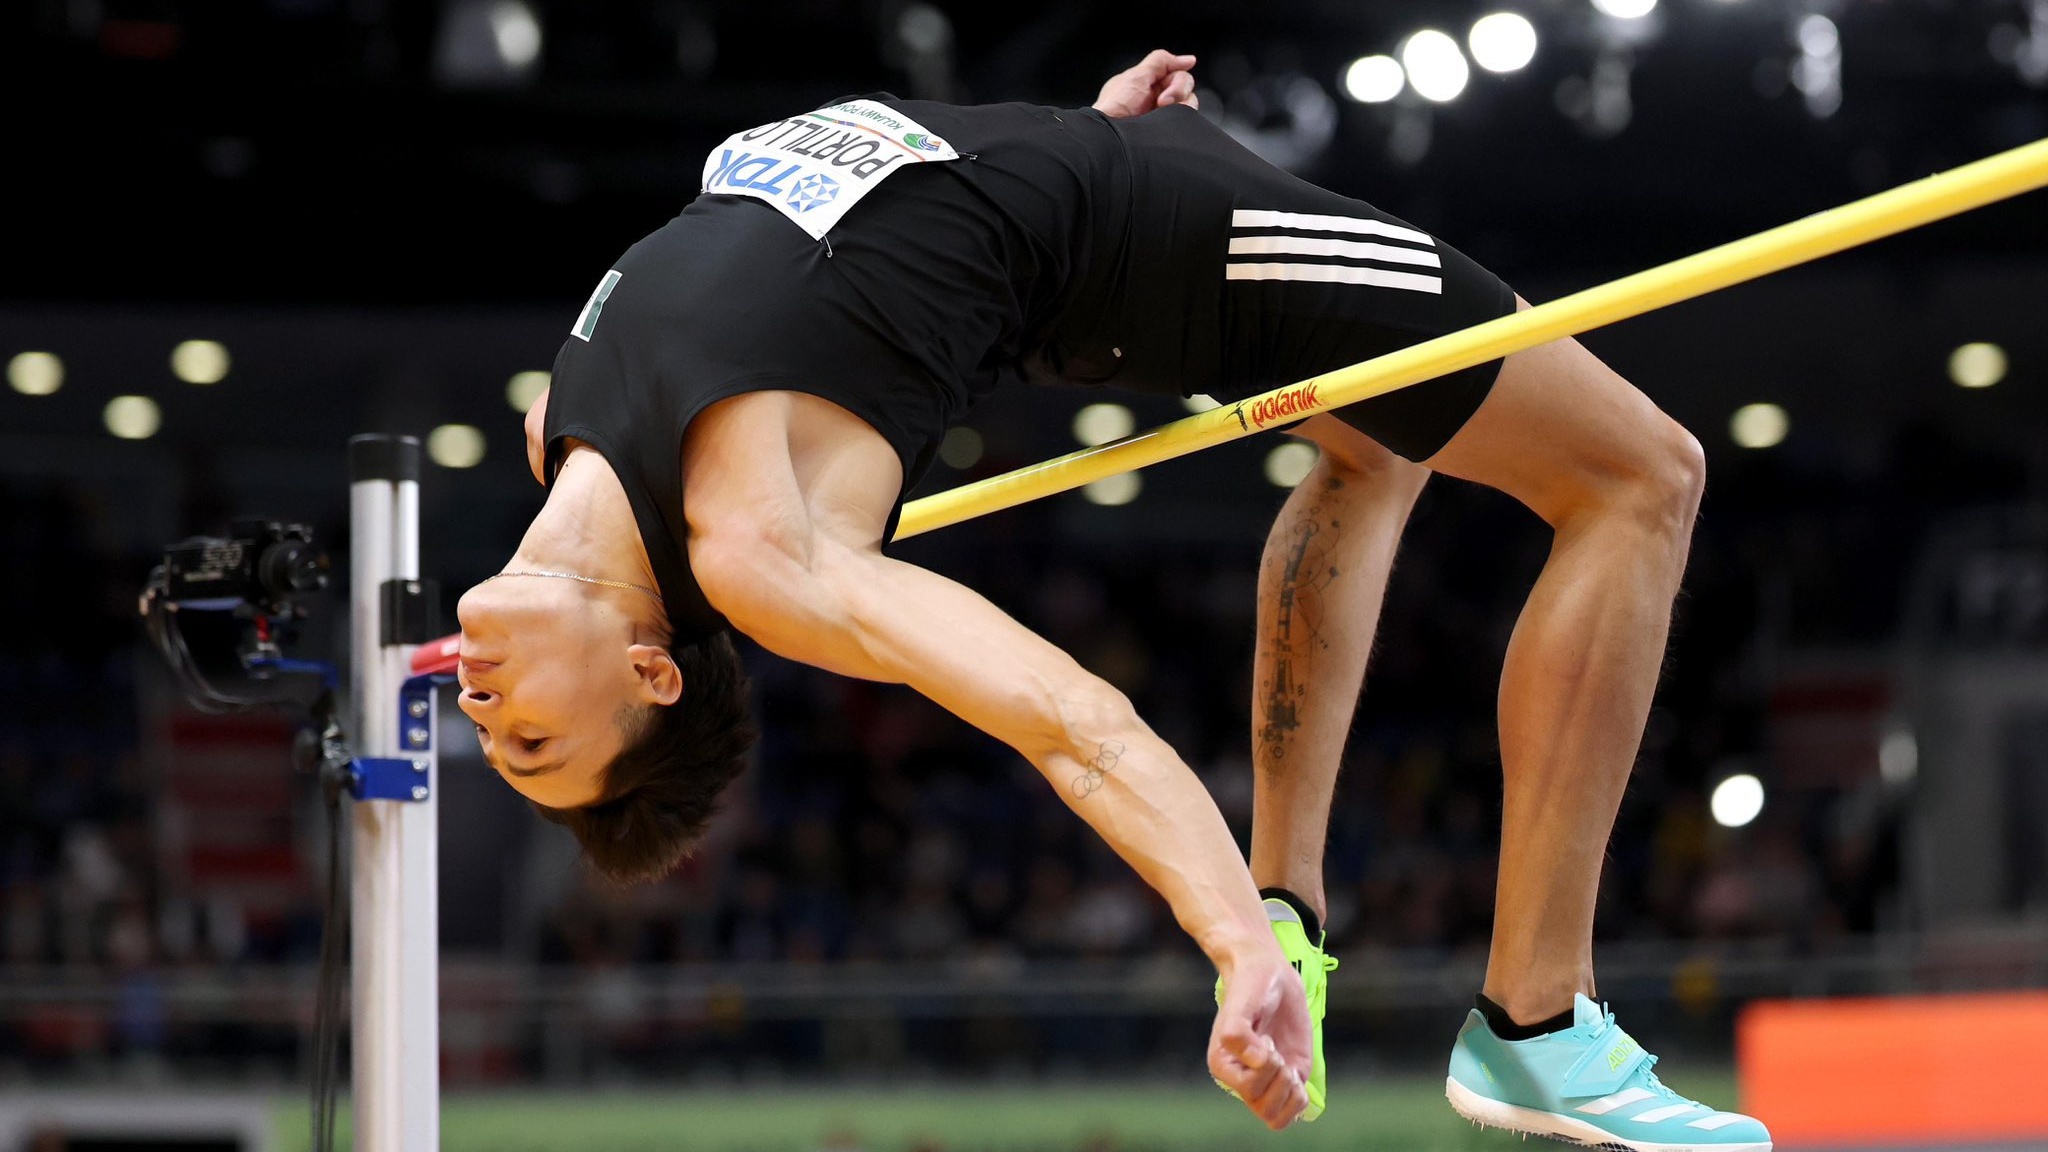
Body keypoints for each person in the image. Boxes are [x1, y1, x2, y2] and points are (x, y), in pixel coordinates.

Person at [454, 50, 1770, 1147]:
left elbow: (847, 235)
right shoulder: (763, 554)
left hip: (1100, 190)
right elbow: (1072, 721)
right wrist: (1225, 955)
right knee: (1642, 477)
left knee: (1375, 448)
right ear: (649, 672)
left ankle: (1294, 911)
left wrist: (1067, 139)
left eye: (498, 745)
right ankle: (1536, 1021)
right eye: (533, 745)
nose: (478, 707)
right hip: (1181, 243)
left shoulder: (556, 427)